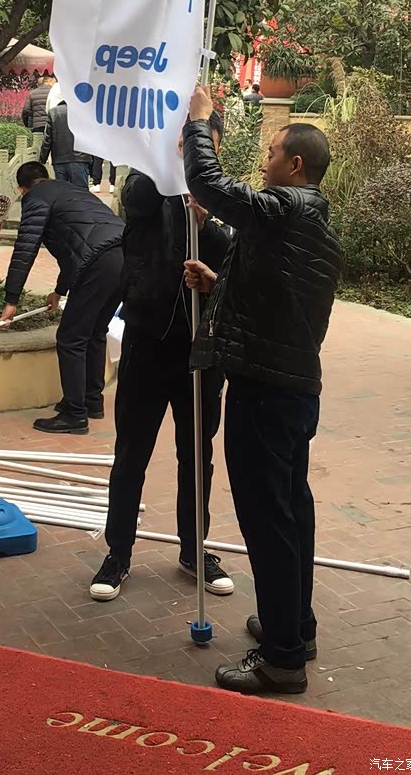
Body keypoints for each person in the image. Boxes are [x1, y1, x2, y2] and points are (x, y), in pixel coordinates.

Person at [183, 89, 342, 697]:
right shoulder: (309, 219)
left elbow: (213, 186)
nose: (265, 160)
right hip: (291, 391)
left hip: (266, 391)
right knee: (291, 513)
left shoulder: (287, 206)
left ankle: (281, 660)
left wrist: (200, 123)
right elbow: (276, 297)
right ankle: (293, 628)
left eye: (272, 152)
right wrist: (219, 283)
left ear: (294, 165)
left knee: (268, 521)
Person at [90, 112, 234, 603]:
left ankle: (194, 550)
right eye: (184, 144)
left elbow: (233, 263)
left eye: (203, 146)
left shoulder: (221, 200)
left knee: (197, 455)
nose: (192, 154)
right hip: (148, 343)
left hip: (200, 351)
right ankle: (118, 552)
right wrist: (168, 168)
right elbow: (137, 201)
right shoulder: (146, 187)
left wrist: (207, 221)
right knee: (132, 452)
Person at [0, 161, 124, 433]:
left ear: (21, 189)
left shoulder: (35, 199)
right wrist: (59, 291)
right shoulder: (69, 190)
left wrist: (11, 301)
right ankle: (91, 402)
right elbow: (75, 252)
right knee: (94, 332)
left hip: (99, 262)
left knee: (70, 338)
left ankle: (74, 415)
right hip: (125, 254)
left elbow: (25, 248)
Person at [40, 99, 94, 188]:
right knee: (80, 192)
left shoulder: (53, 112)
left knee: (62, 191)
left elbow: (47, 139)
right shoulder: (84, 112)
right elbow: (92, 136)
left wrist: (42, 159)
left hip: (59, 159)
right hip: (80, 159)